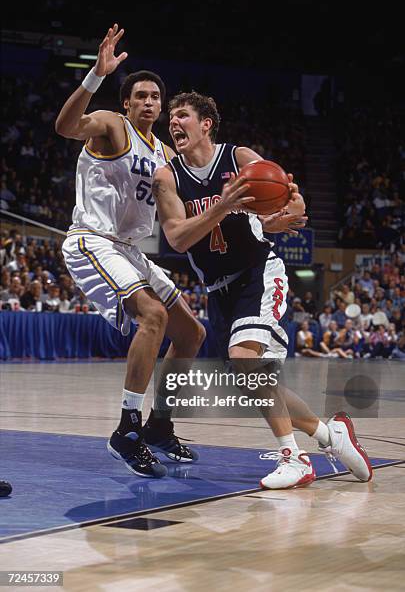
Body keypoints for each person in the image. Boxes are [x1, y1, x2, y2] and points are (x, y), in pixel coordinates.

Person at [152, 91, 372, 489]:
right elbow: (178, 239)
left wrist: (290, 208)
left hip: (258, 271)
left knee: (244, 362)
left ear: (206, 124)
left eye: (181, 114)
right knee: (253, 380)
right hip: (218, 290)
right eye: (171, 116)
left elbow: (291, 198)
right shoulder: (168, 177)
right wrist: (224, 206)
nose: (173, 122)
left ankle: (295, 458)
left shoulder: (238, 159)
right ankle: (329, 436)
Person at [55, 25, 205, 478]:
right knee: (153, 318)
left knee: (192, 334)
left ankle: (160, 424)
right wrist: (95, 76)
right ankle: (128, 427)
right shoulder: (111, 124)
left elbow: (189, 206)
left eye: (155, 98)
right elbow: (65, 127)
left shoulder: (163, 152)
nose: (148, 103)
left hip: (131, 251)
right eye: (140, 95)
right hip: (92, 241)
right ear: (127, 102)